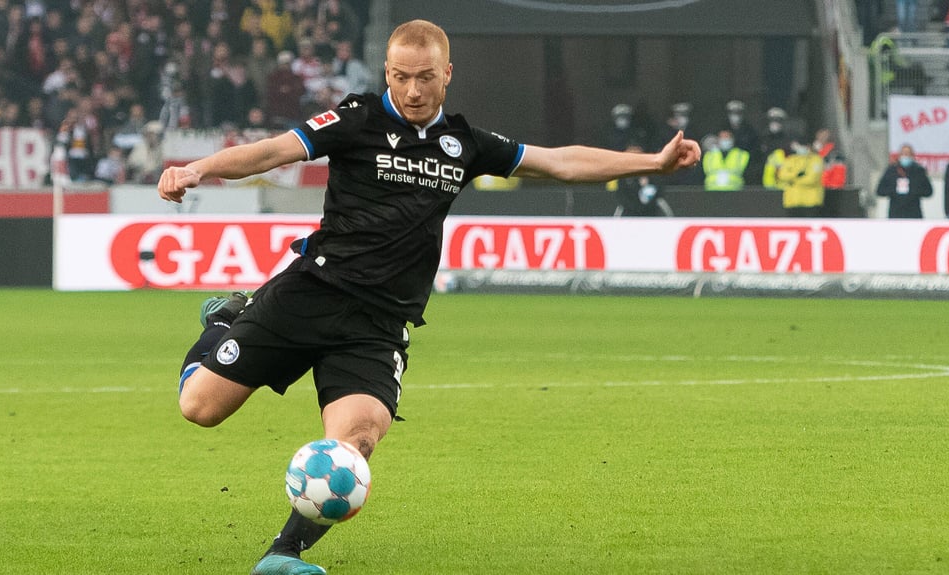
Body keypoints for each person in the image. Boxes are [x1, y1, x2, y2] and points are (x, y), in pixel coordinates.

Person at [156, 19, 700, 575]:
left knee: (357, 440)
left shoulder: (464, 144)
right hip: (311, 293)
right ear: (385, 73)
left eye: (424, 78)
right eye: (399, 77)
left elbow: (559, 161)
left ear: (447, 74)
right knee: (200, 409)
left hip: (378, 323)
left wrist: (651, 163)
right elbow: (274, 151)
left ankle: (282, 555)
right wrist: (198, 168)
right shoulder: (356, 118)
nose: (412, 91)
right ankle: (224, 320)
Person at [614, 143, 674, 217]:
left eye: (636, 156)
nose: (633, 160)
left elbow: (659, 194)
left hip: (652, 216)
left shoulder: (653, 174)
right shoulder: (622, 178)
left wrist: (646, 185)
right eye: (630, 157)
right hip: (629, 216)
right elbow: (622, 198)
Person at [875, 144, 933, 218]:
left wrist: (913, 190)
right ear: (899, 156)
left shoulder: (919, 171)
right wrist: (894, 190)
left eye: (908, 154)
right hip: (895, 214)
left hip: (914, 214)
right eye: (903, 154)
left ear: (912, 156)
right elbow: (880, 191)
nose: (905, 156)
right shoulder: (891, 170)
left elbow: (928, 192)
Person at [777, 139, 824, 217]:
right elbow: (782, 175)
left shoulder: (816, 160)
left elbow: (811, 179)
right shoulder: (790, 159)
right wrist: (796, 175)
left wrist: (792, 181)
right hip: (792, 201)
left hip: (811, 201)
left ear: (808, 146)